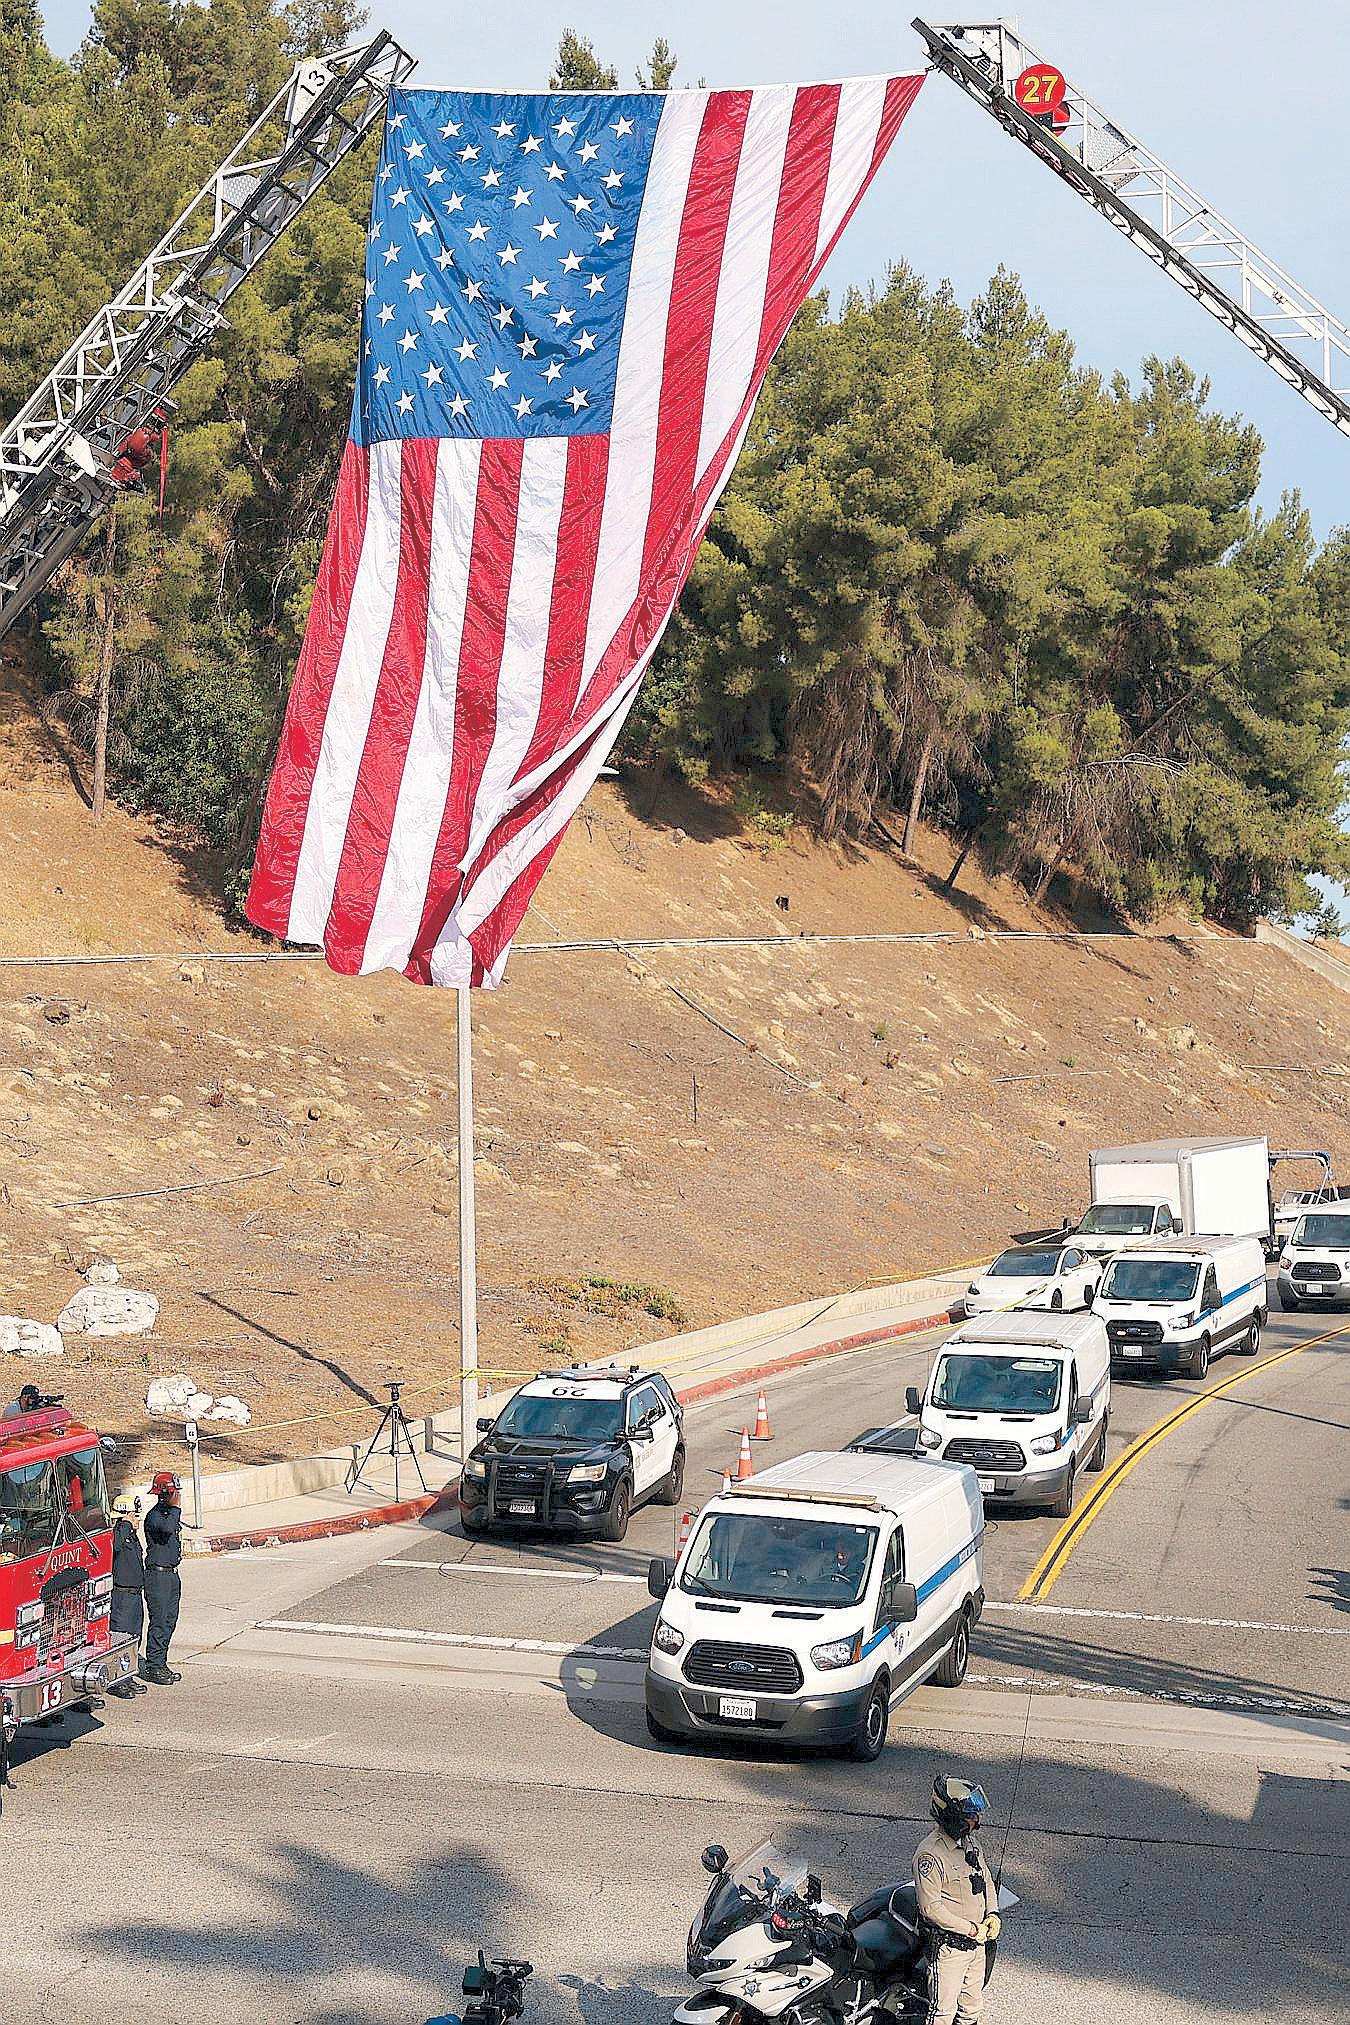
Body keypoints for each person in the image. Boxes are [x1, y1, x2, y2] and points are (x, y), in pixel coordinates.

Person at [913, 1774, 1000, 2025]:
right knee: (942, 2013)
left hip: (977, 1945)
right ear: (952, 1818)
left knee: (971, 2009)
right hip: (950, 1949)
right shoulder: (930, 1855)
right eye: (969, 1816)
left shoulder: (970, 1845)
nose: (976, 1821)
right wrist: (972, 1929)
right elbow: (931, 1909)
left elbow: (986, 1880)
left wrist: (992, 1914)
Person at [141, 1471, 183, 1686]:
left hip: (171, 1574)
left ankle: (161, 1662)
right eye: (174, 1493)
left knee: (169, 1620)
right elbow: (166, 1530)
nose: (178, 1497)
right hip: (157, 1576)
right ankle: (154, 1666)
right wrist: (175, 1508)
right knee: (159, 1622)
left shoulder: (168, 1513)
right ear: (165, 1494)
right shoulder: (155, 1516)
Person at [108, 1493, 149, 1699]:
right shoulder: (117, 1533)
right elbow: (113, 1547)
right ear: (124, 1516)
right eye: (134, 1515)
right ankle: (117, 1681)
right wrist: (124, 1524)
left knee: (134, 1638)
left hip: (134, 1595)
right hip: (121, 1596)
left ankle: (127, 1676)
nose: (138, 1519)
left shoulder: (130, 1536)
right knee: (121, 1639)